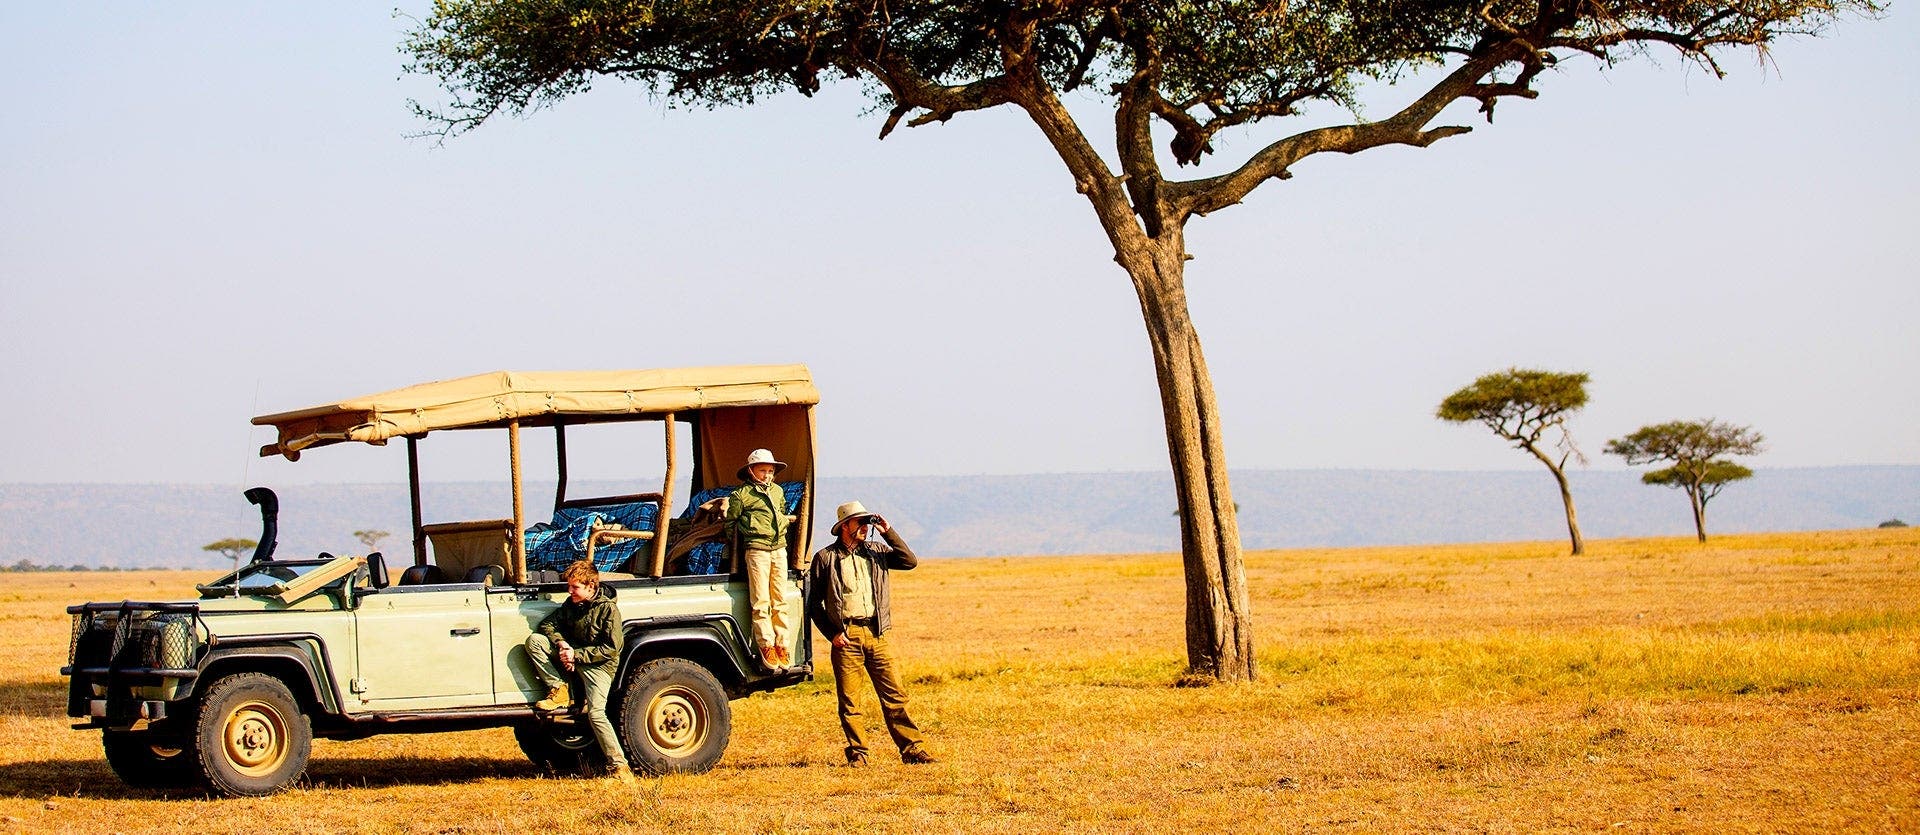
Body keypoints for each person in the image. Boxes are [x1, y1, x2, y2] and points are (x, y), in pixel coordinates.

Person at [807, 500, 937, 767]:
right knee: (850, 701)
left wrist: (888, 531)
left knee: (895, 695)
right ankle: (858, 754)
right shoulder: (826, 558)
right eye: (860, 522)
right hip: (847, 636)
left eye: (868, 522)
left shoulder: (878, 551)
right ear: (845, 526)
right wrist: (832, 633)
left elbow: (909, 561)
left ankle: (912, 749)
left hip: (878, 634)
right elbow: (813, 604)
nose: (866, 526)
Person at [525, 559, 635, 783]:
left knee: (596, 714)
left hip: (599, 667)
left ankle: (620, 768)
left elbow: (612, 648)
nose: (570, 591)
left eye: (575, 587)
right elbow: (548, 625)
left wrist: (576, 656)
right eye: (569, 586)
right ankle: (559, 689)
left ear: (591, 586)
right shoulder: (571, 604)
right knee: (535, 641)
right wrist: (562, 645)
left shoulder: (608, 610)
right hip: (573, 656)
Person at [724, 448, 798, 671]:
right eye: (763, 470)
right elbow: (731, 523)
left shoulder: (778, 491)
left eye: (770, 470)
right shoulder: (741, 495)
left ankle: (782, 644)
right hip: (756, 550)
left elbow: (782, 512)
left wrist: (783, 525)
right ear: (751, 471)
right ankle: (766, 644)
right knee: (761, 601)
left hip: (780, 549)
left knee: (780, 599)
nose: (767, 475)